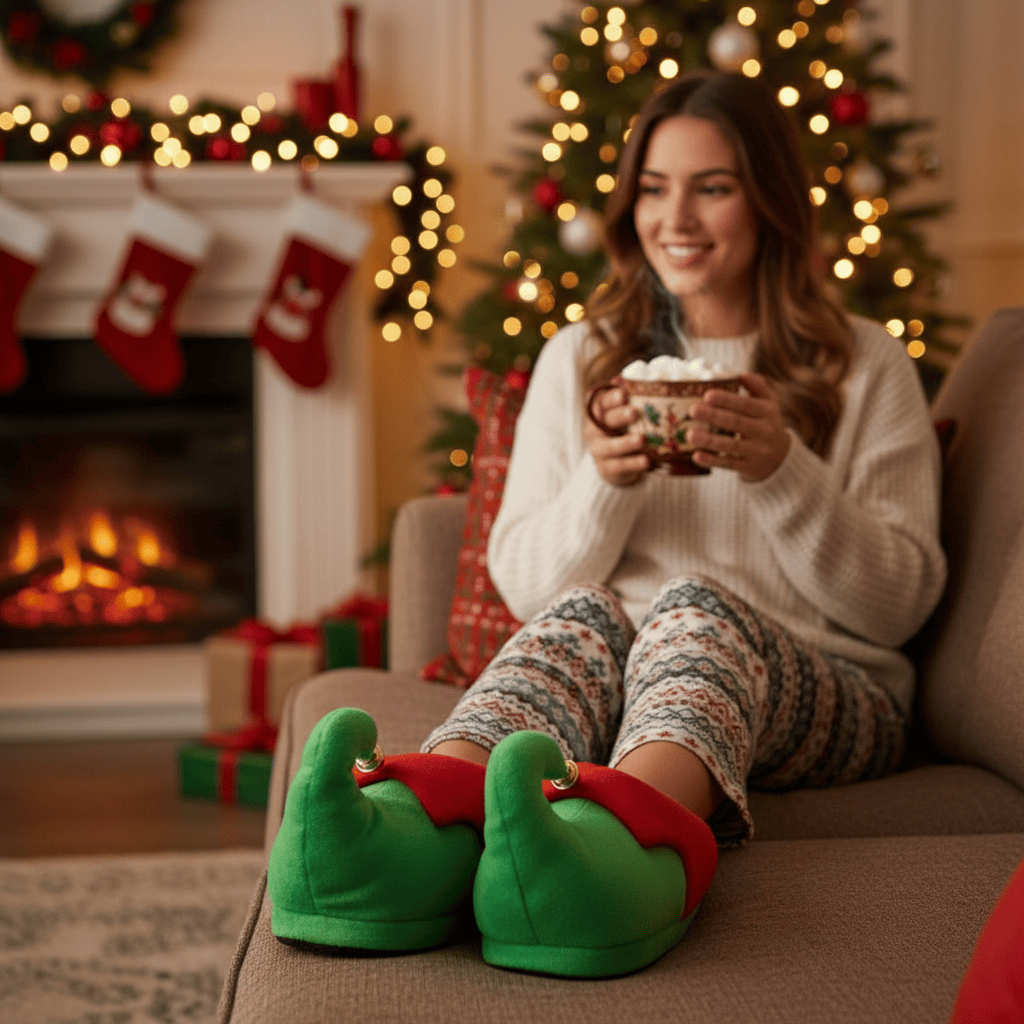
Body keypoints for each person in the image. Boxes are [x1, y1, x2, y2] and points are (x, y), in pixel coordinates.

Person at [267, 70, 947, 979]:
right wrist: (605, 482)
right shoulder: (580, 357)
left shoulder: (864, 364)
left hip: (834, 687)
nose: (679, 219)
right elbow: (526, 589)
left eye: (714, 187)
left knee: (693, 605)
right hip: (623, 676)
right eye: (656, 190)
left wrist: (783, 472)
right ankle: (416, 834)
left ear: (771, 201)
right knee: (577, 622)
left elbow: (899, 606)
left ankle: (627, 858)